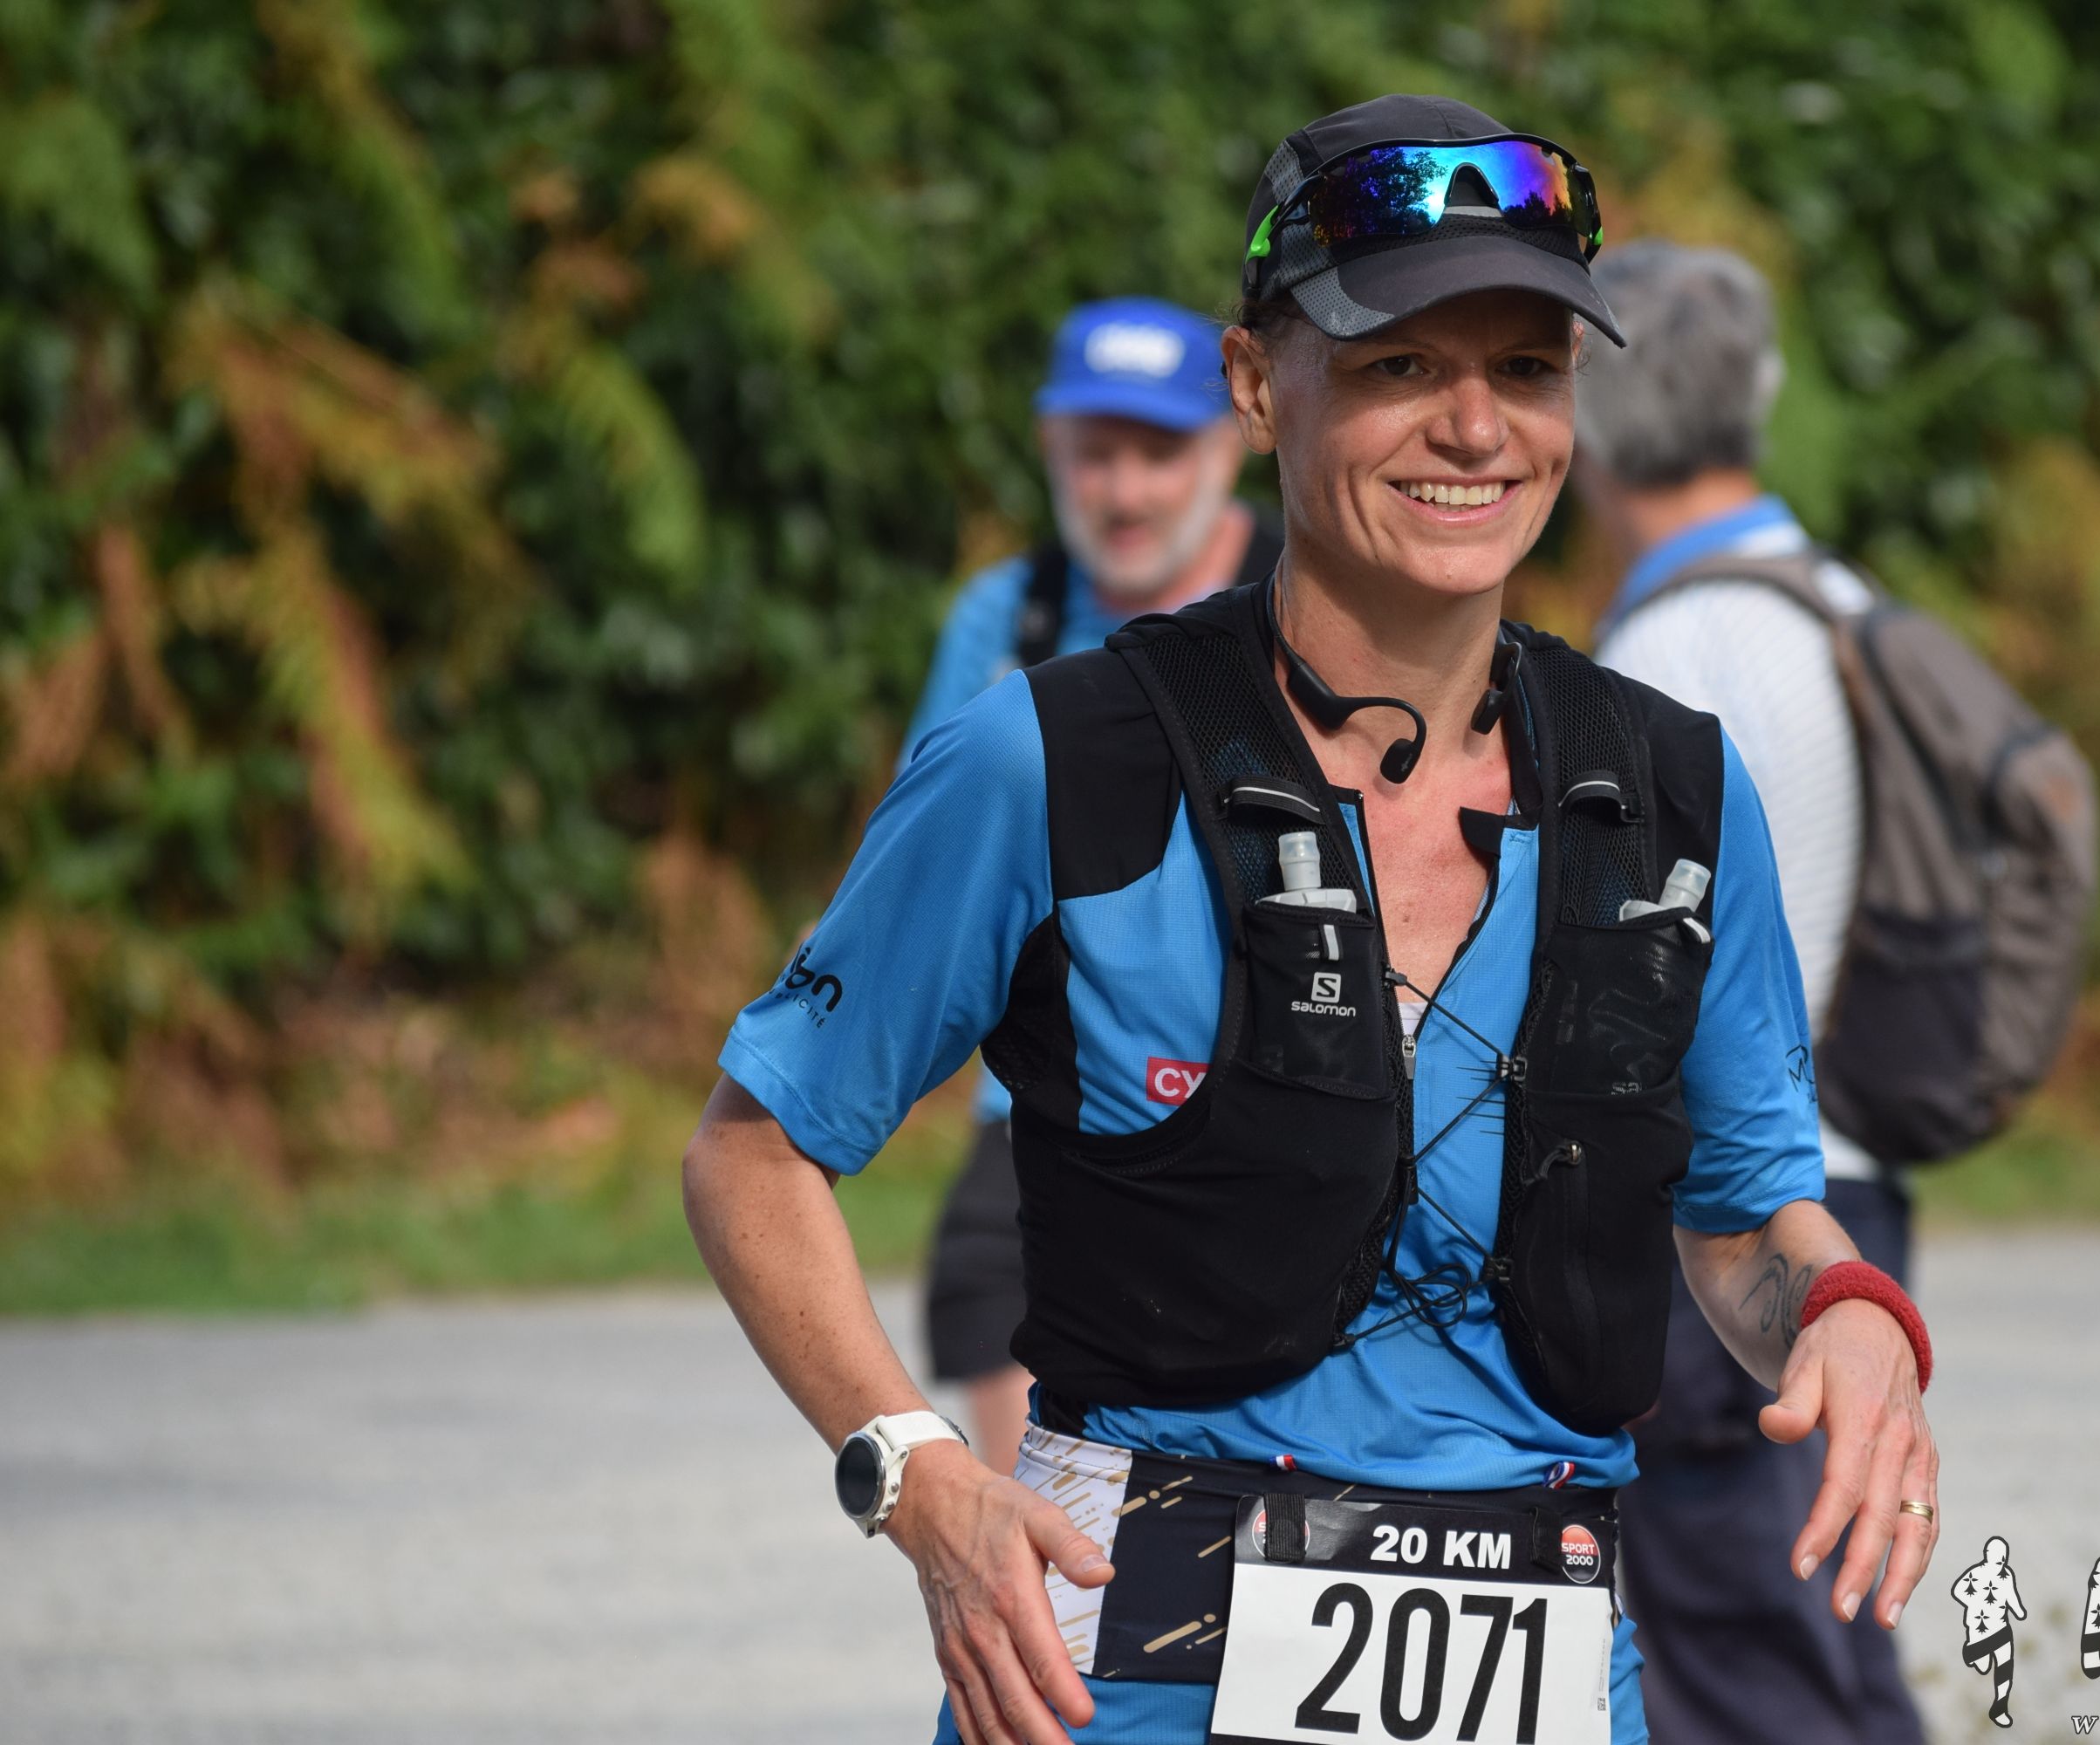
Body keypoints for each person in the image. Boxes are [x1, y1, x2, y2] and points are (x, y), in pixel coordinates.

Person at [683, 94, 1940, 1745]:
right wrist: (916, 1473)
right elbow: (755, 1154)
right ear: (1256, 381)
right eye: (1401, 363)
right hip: (1121, 1691)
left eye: (1527, 369)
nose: (1475, 428)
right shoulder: (1052, 758)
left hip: (1559, 1683)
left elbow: (1744, 1218)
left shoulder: (1675, 794)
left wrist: (1847, 1316)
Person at [1570, 240, 1927, 1744]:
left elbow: (1649, 978)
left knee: (1736, 1655)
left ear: (1590, 418)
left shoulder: (1681, 644)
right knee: (1829, 1630)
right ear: (1760, 392)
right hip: (1848, 1182)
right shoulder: (1827, 597)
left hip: (1737, 1216)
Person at [912, 296, 1279, 1474]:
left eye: (1158, 453)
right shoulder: (1006, 618)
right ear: (1049, 448)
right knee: (986, 1274)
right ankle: (1045, 1553)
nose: (1124, 493)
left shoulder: (1308, 597)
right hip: (1051, 1087)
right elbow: (927, 865)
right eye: (1095, 453)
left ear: (1231, 442)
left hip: (1275, 1071)